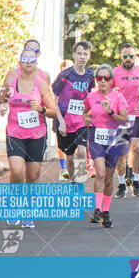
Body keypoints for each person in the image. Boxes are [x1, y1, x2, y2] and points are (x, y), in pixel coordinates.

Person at [1, 49, 57, 228]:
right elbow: (2, 99)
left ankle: (28, 212)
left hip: (36, 135)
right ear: (20, 62)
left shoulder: (40, 85)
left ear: (36, 63)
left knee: (32, 176)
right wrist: (2, 104)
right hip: (15, 132)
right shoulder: (11, 80)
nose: (27, 62)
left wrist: (40, 109)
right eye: (24, 59)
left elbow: (54, 112)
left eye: (31, 60)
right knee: (17, 171)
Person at [83, 64, 129, 228]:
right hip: (96, 136)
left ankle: (106, 211)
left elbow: (124, 119)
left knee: (109, 179)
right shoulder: (91, 96)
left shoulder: (118, 97)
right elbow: (84, 111)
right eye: (99, 78)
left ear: (111, 80)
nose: (102, 81)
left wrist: (110, 112)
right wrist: (86, 118)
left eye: (106, 78)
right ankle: (96, 209)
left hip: (113, 138)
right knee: (100, 173)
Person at [52, 41, 95, 183]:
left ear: (89, 56)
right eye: (79, 53)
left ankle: (80, 182)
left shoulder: (90, 75)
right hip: (65, 121)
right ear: (73, 55)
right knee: (70, 157)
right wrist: (61, 121)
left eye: (85, 54)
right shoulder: (65, 75)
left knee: (82, 151)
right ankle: (73, 181)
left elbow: (91, 96)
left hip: (82, 121)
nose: (82, 57)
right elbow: (54, 99)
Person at [112, 44, 139, 198]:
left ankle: (136, 180)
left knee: (137, 148)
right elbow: (105, 91)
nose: (128, 59)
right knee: (121, 152)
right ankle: (121, 183)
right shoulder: (114, 73)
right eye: (125, 56)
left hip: (137, 115)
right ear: (121, 57)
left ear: (135, 57)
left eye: (131, 56)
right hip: (120, 117)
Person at [55, 59, 74, 181]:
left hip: (77, 119)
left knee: (81, 147)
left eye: (70, 67)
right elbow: (53, 97)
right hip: (61, 116)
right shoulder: (59, 80)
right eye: (65, 67)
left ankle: (80, 173)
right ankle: (63, 169)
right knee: (62, 147)